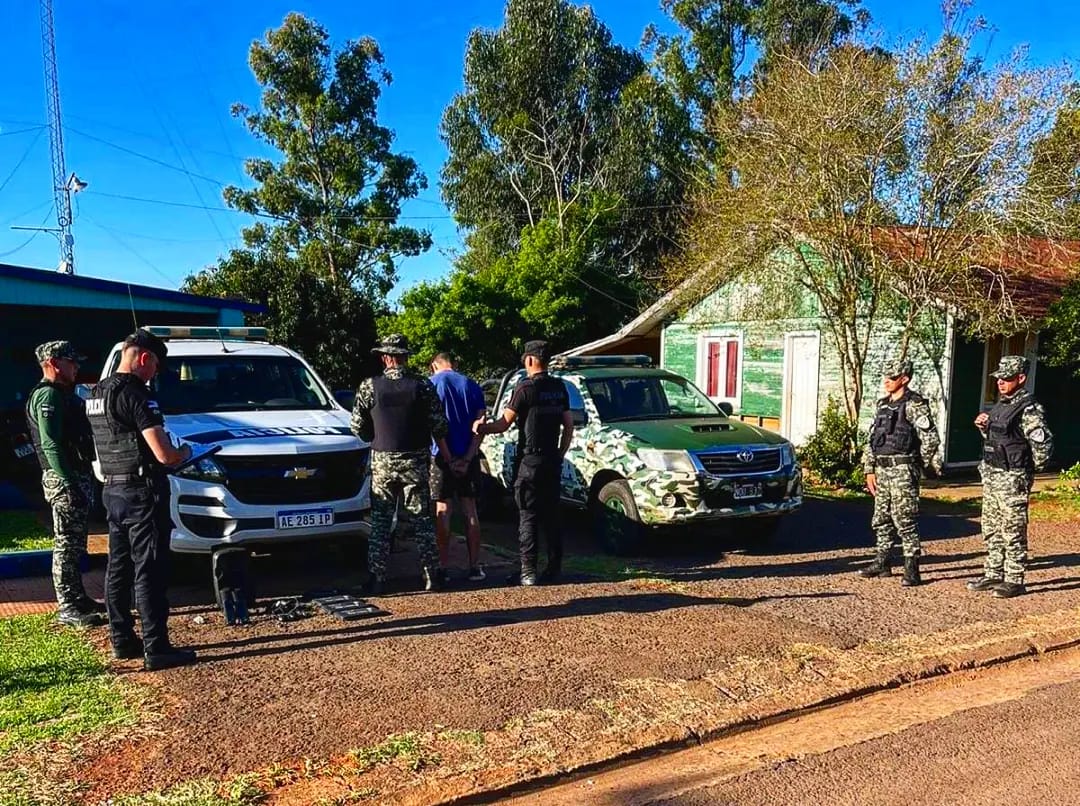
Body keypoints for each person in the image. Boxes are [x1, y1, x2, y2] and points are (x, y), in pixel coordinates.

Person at [86, 329, 196, 670]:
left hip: (113, 490)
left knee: (118, 567)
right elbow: (163, 454)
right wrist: (185, 452)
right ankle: (156, 646)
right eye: (156, 367)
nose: (155, 375)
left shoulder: (96, 393)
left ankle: (121, 640)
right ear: (144, 358)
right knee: (149, 567)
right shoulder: (137, 395)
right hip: (141, 492)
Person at [351, 334, 451, 594]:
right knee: (422, 521)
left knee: (381, 523)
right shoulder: (422, 385)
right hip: (416, 462)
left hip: (383, 461)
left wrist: (373, 436)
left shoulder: (369, 386)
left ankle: (378, 579)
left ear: (385, 358)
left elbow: (357, 427)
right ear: (405, 357)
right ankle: (432, 577)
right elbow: (440, 425)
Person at [473, 340, 573, 586]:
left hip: (530, 460)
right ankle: (554, 567)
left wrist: (481, 428)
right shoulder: (560, 387)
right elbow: (568, 425)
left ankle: (528, 572)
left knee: (527, 515)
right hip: (552, 459)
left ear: (529, 360)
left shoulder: (524, 388)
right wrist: (560, 453)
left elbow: (504, 423)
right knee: (552, 515)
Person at [26, 340, 106, 628]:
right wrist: (68, 482)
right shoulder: (47, 396)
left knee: (76, 543)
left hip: (75, 475)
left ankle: (77, 596)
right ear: (54, 363)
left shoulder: (64, 395)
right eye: (72, 361)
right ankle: (67, 605)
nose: (77, 367)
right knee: (66, 544)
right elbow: (51, 444)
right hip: (63, 479)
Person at [967, 355, 1053, 598]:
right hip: (993, 476)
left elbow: (1042, 444)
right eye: (999, 378)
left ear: (1021, 378)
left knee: (1012, 529)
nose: (1001, 383)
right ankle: (994, 573)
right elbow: (1003, 439)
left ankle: (1014, 578)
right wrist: (985, 428)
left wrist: (1029, 469)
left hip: (1012, 477)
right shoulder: (1001, 405)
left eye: (1007, 378)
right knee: (992, 527)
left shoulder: (1028, 408)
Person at [859, 357, 941, 587]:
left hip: (903, 469)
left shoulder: (915, 404)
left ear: (904, 378)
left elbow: (931, 440)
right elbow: (871, 440)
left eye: (892, 377)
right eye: (885, 377)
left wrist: (916, 465)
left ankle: (912, 568)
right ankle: (882, 562)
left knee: (905, 519)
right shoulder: (882, 404)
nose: (887, 381)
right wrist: (869, 469)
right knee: (881, 518)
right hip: (881, 469)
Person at [428, 352, 488, 583]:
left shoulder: (430, 385)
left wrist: (449, 458)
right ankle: (474, 566)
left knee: (443, 510)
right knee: (470, 510)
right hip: (469, 457)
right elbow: (480, 426)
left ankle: (442, 567)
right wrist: (468, 457)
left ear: (434, 365)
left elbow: (434, 427)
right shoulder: (472, 385)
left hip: (440, 457)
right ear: (454, 363)